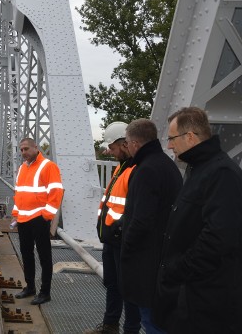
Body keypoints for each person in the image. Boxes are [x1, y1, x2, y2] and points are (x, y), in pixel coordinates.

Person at [153, 107, 242, 333]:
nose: (170, 145)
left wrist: (176, 269)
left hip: (202, 301)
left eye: (172, 138)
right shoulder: (199, 169)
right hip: (187, 296)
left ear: (190, 137)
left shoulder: (222, 173)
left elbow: (219, 240)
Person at [120, 119, 182, 333]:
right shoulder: (167, 165)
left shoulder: (147, 170)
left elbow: (142, 219)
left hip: (147, 260)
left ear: (136, 143)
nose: (126, 147)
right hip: (163, 255)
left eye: (127, 142)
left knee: (151, 320)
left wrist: (126, 247)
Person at [85, 122, 140, 334]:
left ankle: (131, 329)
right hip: (111, 237)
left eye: (113, 148)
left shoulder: (135, 169)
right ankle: (110, 325)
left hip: (122, 238)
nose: (111, 152)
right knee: (112, 284)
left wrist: (118, 229)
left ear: (124, 144)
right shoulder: (120, 167)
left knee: (127, 288)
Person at [12, 137, 64, 306]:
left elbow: (56, 192)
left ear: (36, 148)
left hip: (39, 219)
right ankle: (30, 287)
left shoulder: (48, 166)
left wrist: (46, 216)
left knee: (44, 255)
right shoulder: (22, 168)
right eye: (21, 150)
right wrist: (16, 212)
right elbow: (19, 191)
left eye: (26, 149)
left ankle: (45, 292)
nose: (23, 153)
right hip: (23, 218)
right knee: (26, 253)